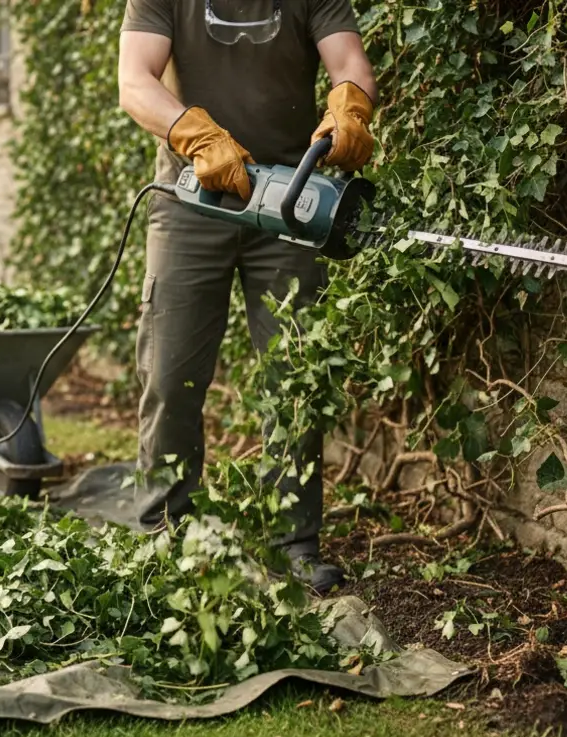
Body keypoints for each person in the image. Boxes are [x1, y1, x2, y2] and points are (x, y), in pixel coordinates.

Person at [117, 0, 378, 594]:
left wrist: (350, 104)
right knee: (169, 372)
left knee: (295, 374)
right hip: (191, 198)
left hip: (292, 202)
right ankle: (166, 536)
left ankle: (293, 544)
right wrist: (196, 134)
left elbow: (350, 63)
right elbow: (135, 82)